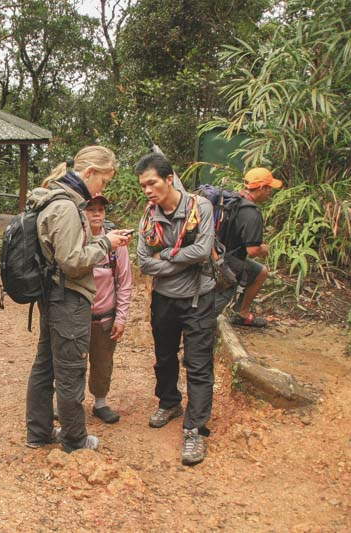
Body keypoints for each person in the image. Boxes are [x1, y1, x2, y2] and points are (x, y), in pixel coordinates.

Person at [25, 146, 131, 452]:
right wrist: (106, 243)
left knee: (46, 365)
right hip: (68, 298)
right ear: (89, 173)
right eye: (103, 181)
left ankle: (39, 432)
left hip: (53, 294)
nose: (101, 189)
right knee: (70, 370)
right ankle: (74, 440)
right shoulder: (66, 207)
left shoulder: (56, 198)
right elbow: (72, 261)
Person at [135, 152, 216, 466]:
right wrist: (181, 260)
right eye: (143, 185)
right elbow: (145, 263)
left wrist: (166, 256)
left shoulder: (200, 207)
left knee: (198, 363)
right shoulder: (148, 218)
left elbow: (203, 251)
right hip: (164, 299)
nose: (147, 190)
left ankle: (194, 428)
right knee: (165, 356)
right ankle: (169, 402)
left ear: (169, 179)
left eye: (152, 183)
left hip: (198, 298)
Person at [83, 194, 133, 424]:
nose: (96, 213)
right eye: (91, 209)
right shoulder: (75, 240)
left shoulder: (116, 244)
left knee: (103, 362)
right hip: (77, 315)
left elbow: (124, 282)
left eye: (100, 210)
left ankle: (100, 403)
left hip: (104, 316)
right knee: (71, 363)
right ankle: (69, 403)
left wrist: (120, 318)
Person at [216, 167, 283, 327]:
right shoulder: (252, 213)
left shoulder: (234, 199)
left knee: (259, 271)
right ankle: (236, 314)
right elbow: (252, 251)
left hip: (216, 252)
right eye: (269, 188)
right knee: (258, 271)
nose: (270, 192)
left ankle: (241, 312)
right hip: (228, 262)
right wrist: (264, 249)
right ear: (261, 188)